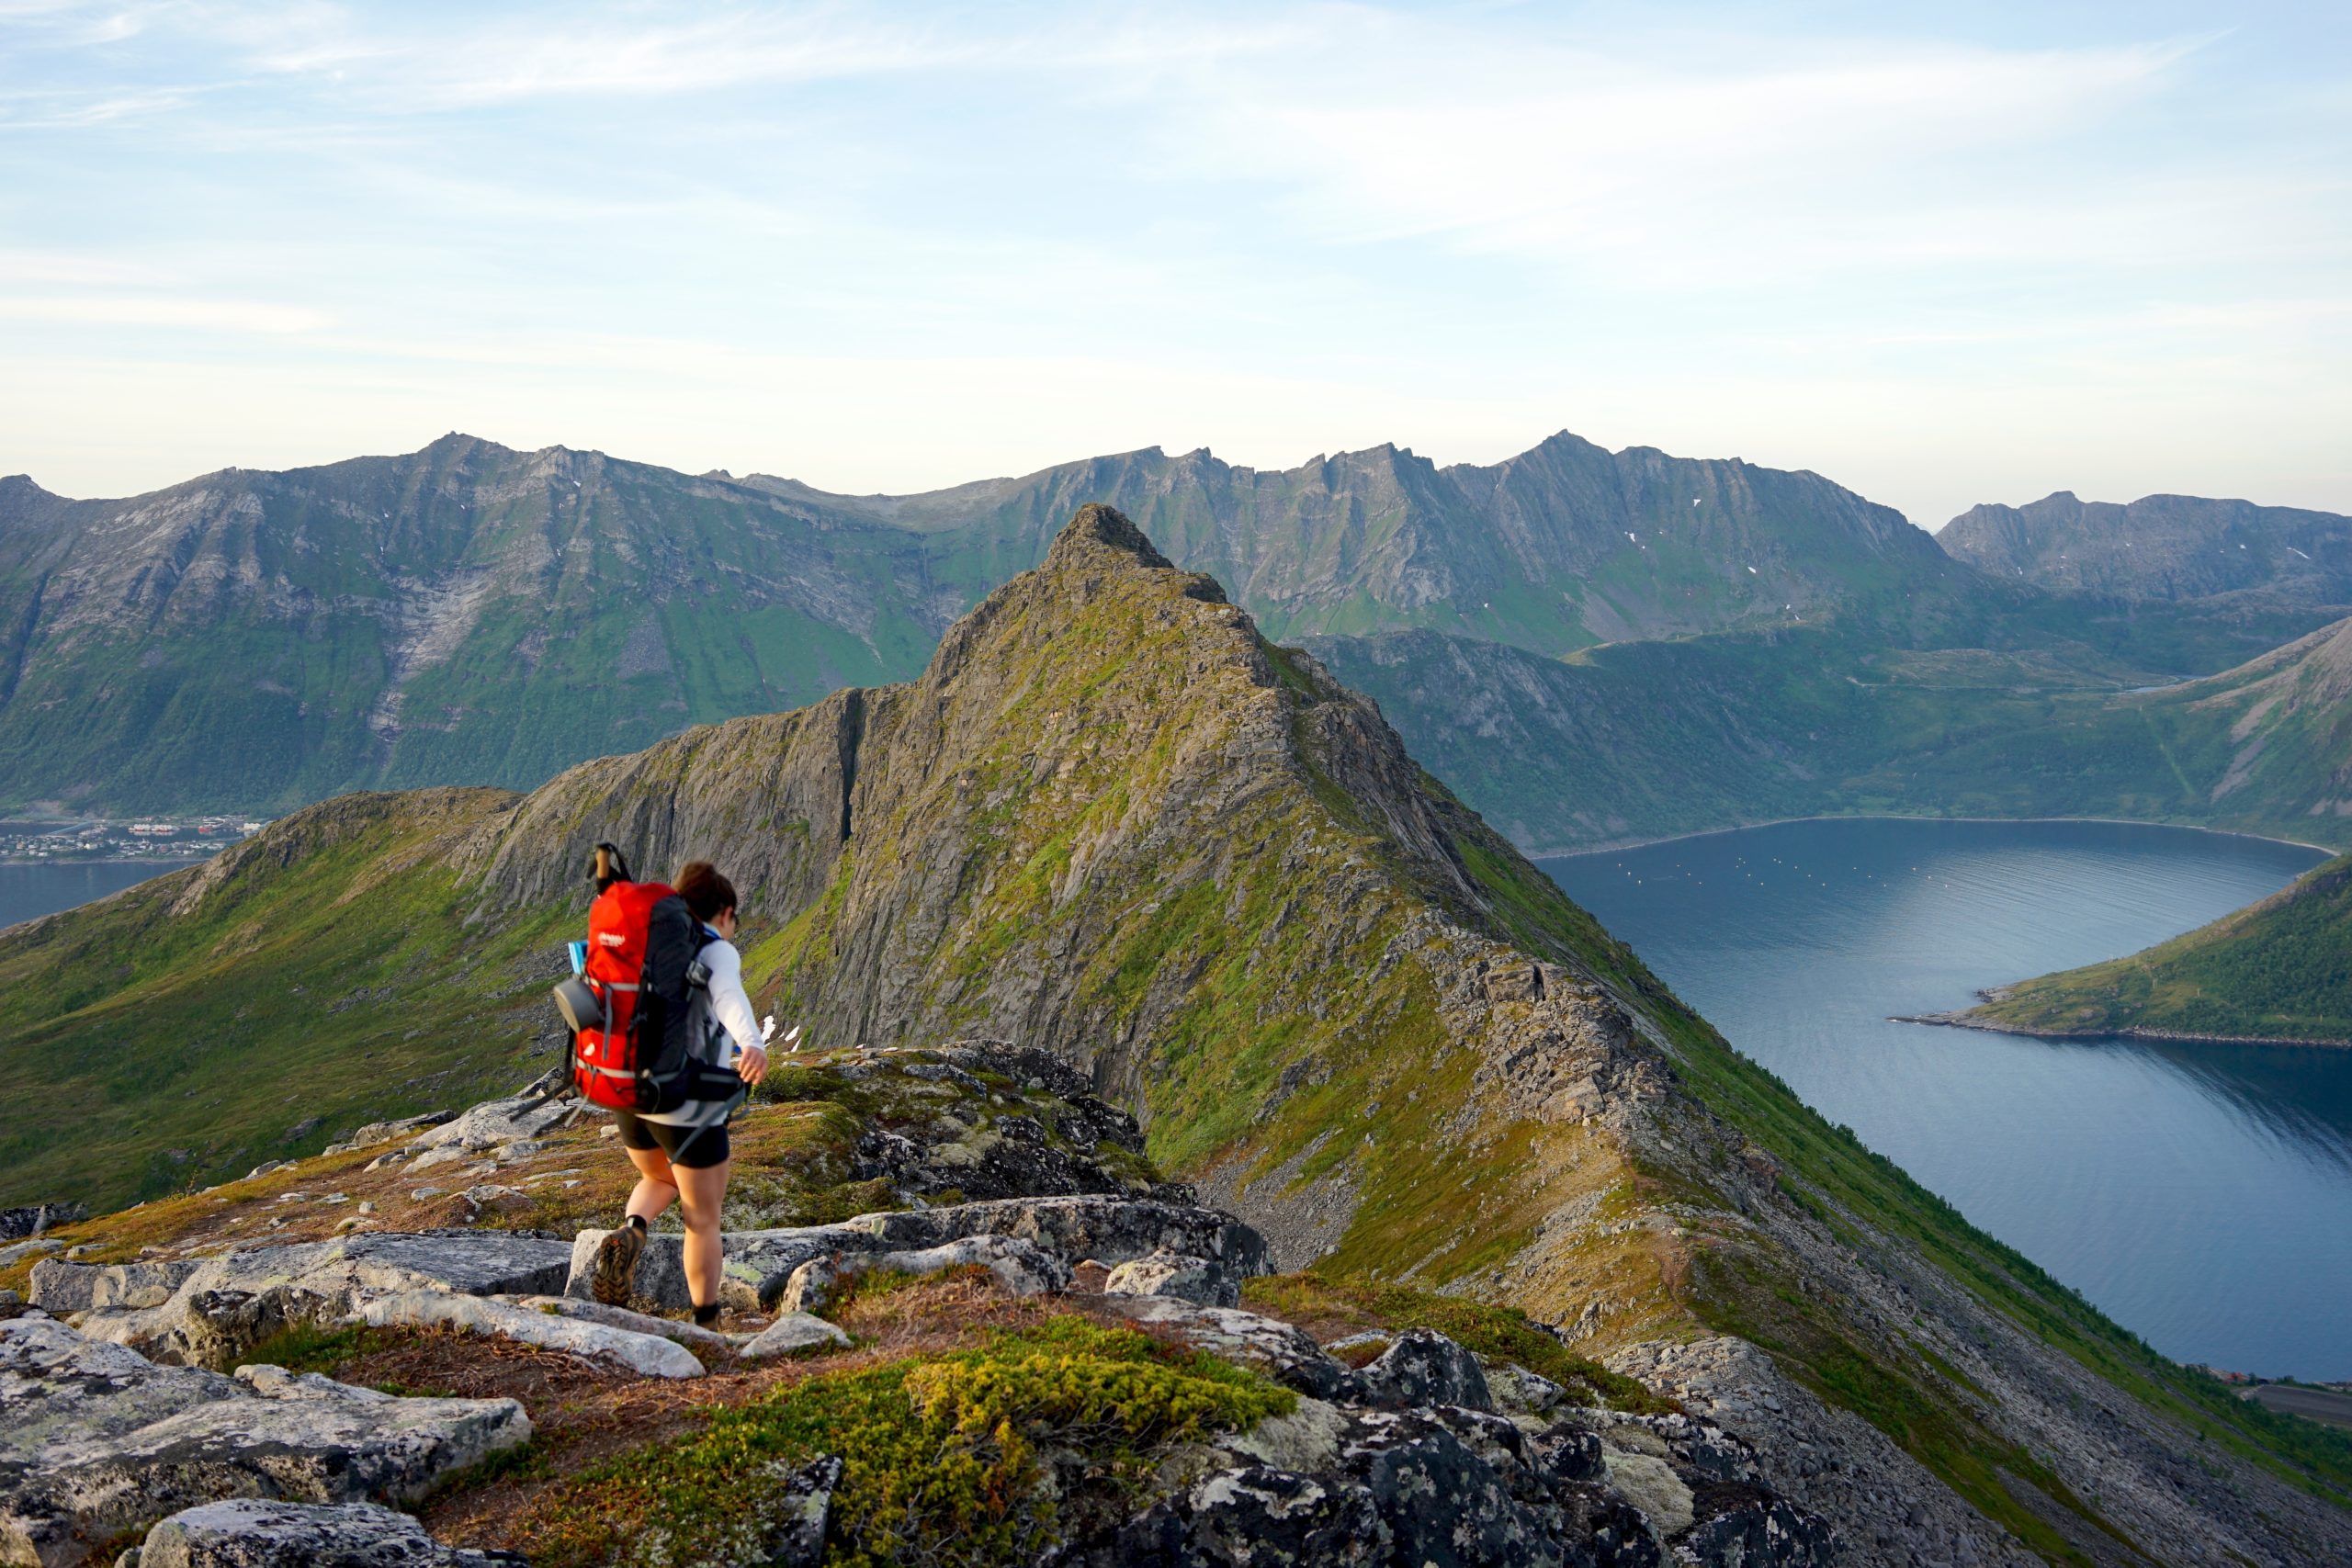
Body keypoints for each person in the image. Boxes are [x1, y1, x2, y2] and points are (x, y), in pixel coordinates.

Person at [591, 861, 770, 1323]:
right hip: (686, 1106)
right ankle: (706, 1327)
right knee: (703, 1221)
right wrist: (751, 1042)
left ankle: (632, 1230)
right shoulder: (715, 950)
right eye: (735, 920)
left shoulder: (650, 947)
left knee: (661, 1178)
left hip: (631, 1097)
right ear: (724, 913)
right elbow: (728, 993)